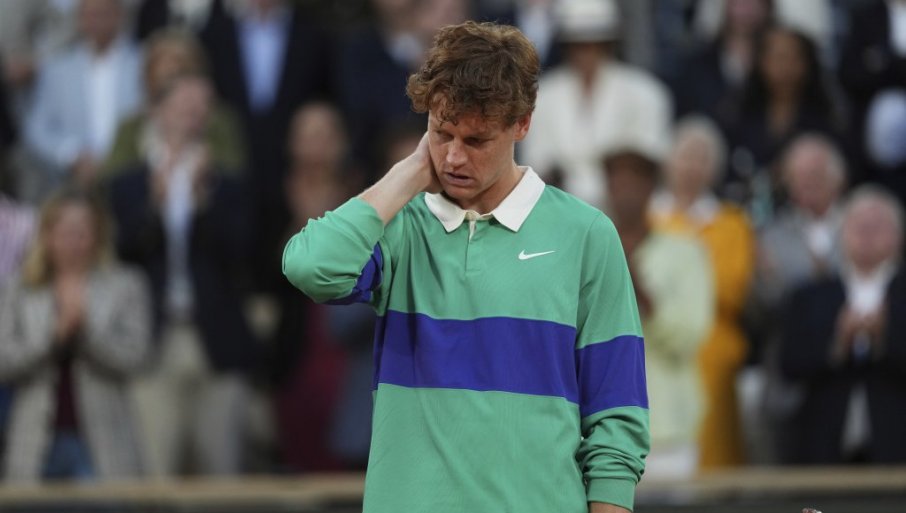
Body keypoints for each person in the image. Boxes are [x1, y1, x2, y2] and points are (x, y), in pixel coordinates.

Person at [283, 21, 648, 513]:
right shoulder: (399, 226)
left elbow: (616, 412)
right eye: (442, 133)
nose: (453, 157)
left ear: (522, 124)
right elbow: (309, 267)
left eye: (476, 140)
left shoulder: (587, 234)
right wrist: (411, 171)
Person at [108, 72, 256, 477]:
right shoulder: (127, 184)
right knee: (156, 474)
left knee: (222, 475)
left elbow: (242, 257)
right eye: (184, 104)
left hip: (216, 341)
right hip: (154, 339)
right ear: (157, 111)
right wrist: (155, 207)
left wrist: (203, 203)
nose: (194, 113)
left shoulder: (227, 183)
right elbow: (122, 254)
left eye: (202, 105)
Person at [0, 187, 151, 482]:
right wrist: (53, 337)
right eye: (65, 230)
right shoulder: (19, 289)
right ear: (47, 235)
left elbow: (136, 357)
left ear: (98, 235)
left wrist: (85, 332)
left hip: (104, 444)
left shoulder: (126, 284)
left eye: (82, 231)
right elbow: (4, 361)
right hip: (33, 445)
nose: (74, 240)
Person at [602, 140, 714, 479]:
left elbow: (691, 335)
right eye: (617, 183)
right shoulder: (590, 251)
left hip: (667, 431)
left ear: (651, 188)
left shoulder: (687, 251)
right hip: (598, 428)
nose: (625, 194)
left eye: (633, 183)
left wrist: (640, 294)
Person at [651, 116, 756, 468]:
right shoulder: (647, 218)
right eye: (685, 155)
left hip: (713, 349)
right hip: (654, 346)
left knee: (712, 462)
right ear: (668, 161)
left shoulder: (732, 223)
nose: (692, 166)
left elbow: (731, 289)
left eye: (702, 158)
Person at [778, 185, 906, 464]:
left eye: (877, 226)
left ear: (898, 236)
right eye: (859, 225)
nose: (867, 233)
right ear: (843, 233)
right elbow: (788, 366)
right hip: (825, 449)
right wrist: (837, 341)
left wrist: (885, 336)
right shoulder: (810, 295)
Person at [521, 0, 673, 208]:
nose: (587, 53)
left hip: (624, 209)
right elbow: (537, 162)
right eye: (578, 45)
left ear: (608, 44)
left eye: (595, 43)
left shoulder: (645, 93)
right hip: (558, 207)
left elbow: (648, 160)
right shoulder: (543, 95)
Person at [23, 0, 142, 190]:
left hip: (130, 177)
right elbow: (37, 128)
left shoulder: (141, 63)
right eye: (89, 15)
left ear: (119, 16)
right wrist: (71, 154)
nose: (96, 21)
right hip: (73, 181)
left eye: (103, 13)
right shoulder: (57, 68)